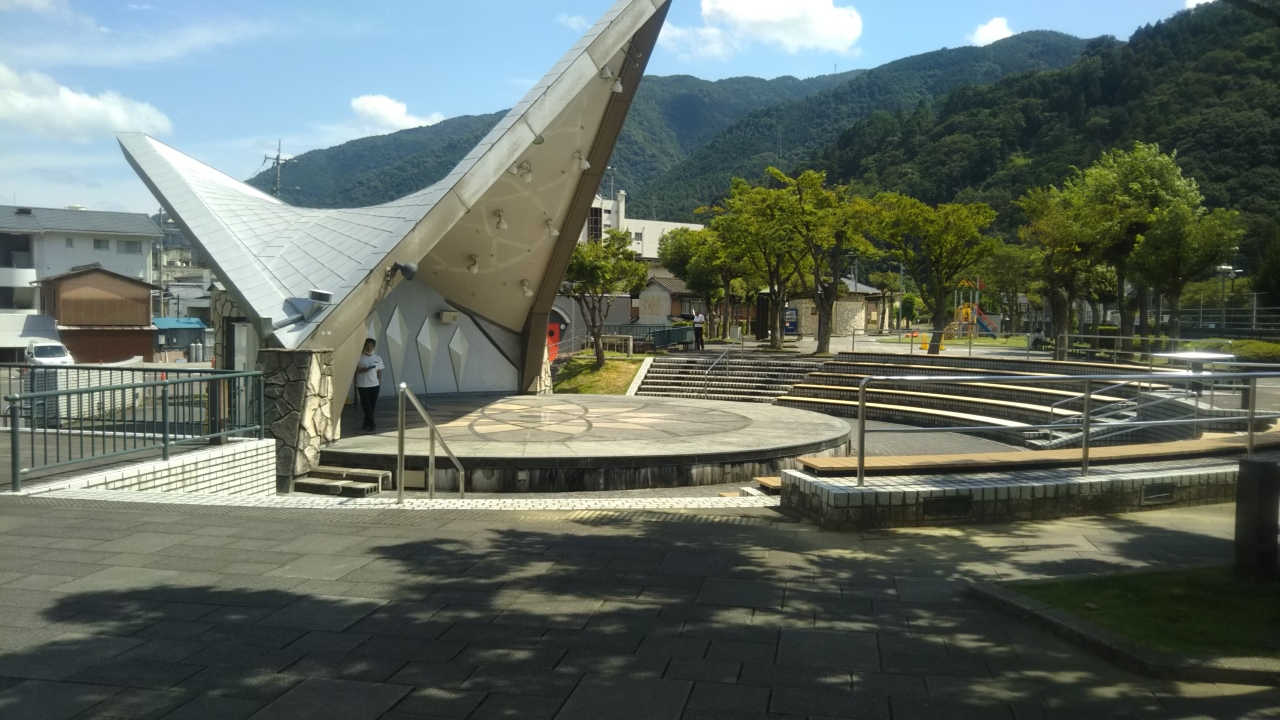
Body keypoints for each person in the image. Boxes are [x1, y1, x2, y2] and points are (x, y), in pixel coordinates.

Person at [355, 338, 384, 432]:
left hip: (375, 385)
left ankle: (366, 423)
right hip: (363, 385)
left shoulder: (377, 358)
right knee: (366, 405)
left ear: (374, 347)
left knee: (372, 405)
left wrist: (379, 381)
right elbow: (354, 370)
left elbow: (379, 371)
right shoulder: (359, 357)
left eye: (370, 346)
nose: (368, 348)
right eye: (367, 346)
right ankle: (372, 424)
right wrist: (362, 370)